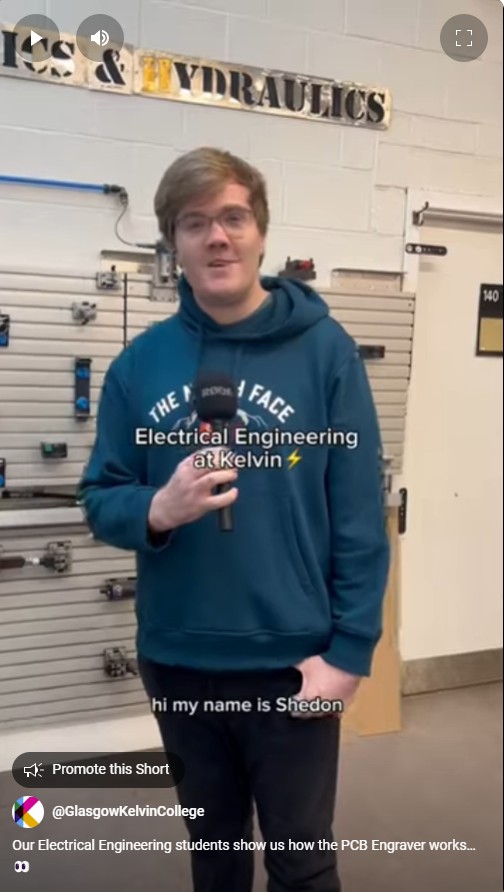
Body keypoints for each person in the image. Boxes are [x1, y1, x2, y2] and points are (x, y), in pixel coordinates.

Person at [80, 146, 390, 892]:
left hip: (293, 665)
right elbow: (101, 497)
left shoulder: (327, 354)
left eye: (232, 218)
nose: (216, 237)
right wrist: (158, 508)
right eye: (195, 223)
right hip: (179, 660)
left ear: (260, 233)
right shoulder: (138, 366)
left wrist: (350, 653)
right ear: (173, 244)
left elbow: (357, 516)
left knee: (302, 865)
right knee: (215, 855)